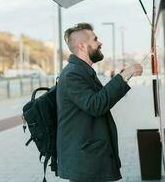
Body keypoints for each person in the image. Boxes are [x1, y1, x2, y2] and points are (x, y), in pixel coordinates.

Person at [56, 23, 143, 182]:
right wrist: (124, 75)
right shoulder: (72, 74)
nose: (100, 43)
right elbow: (96, 105)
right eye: (95, 39)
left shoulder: (82, 71)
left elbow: (99, 101)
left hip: (88, 158)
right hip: (84, 162)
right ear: (82, 46)